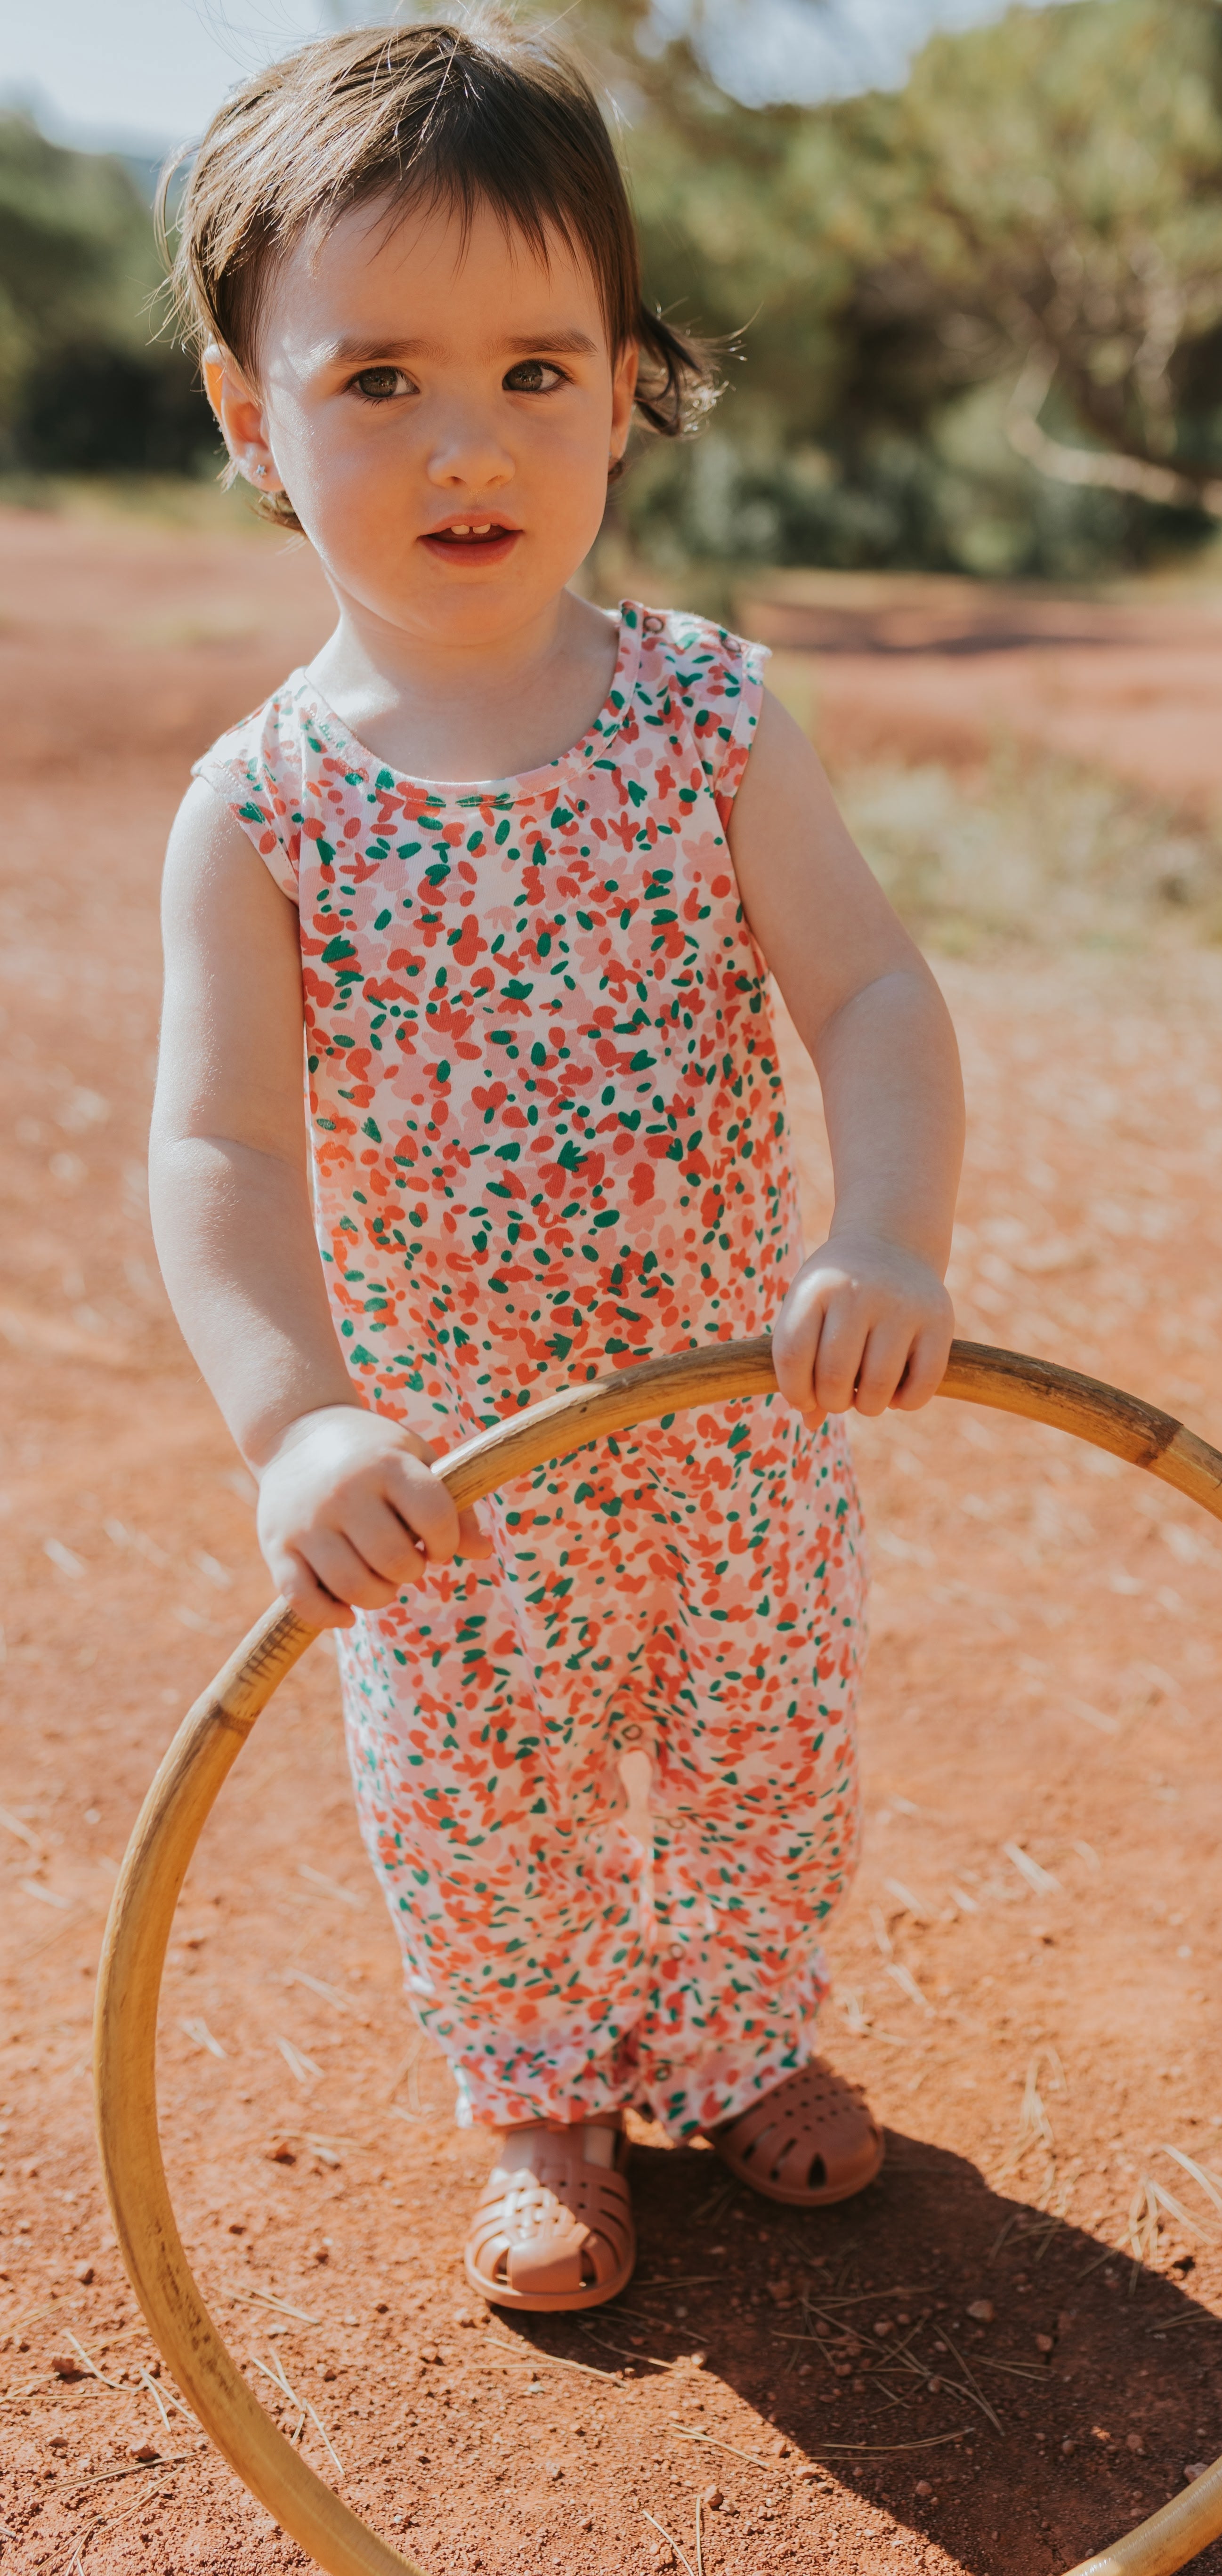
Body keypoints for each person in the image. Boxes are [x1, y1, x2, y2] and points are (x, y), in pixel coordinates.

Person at [149, 11, 963, 2314]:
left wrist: (884, 1226)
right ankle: (539, 2094)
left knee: (760, 1765)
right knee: (484, 1808)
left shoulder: (707, 714)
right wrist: (299, 1417)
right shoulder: (266, 804)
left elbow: (878, 999)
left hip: (740, 1417)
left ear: (625, 388)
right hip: (457, 1469)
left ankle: (733, 2041)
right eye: (378, 377)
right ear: (252, 420)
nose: (466, 437)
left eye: (533, 368)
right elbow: (212, 1147)